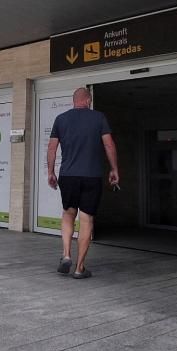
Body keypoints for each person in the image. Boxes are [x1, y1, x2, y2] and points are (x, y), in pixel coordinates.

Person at [46, 87, 119, 279]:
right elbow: (109, 144)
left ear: (74, 101)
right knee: (86, 220)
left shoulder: (61, 119)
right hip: (91, 176)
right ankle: (79, 268)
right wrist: (114, 169)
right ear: (88, 101)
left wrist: (50, 172)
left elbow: (52, 148)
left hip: (68, 176)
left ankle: (66, 254)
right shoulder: (99, 117)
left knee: (68, 214)